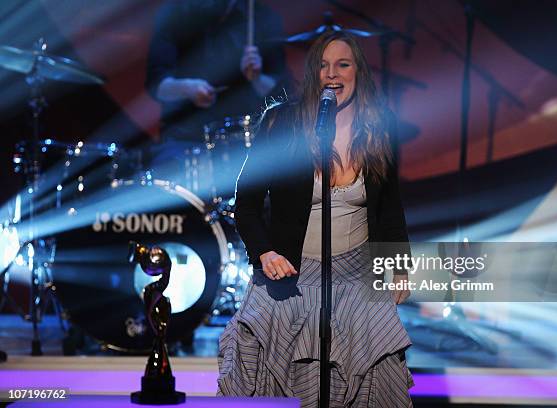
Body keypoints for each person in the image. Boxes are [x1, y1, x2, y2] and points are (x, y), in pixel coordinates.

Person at [217, 31, 414, 407]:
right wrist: (265, 253)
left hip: (357, 274)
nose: (332, 73)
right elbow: (246, 204)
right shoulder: (281, 124)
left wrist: (399, 266)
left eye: (342, 64)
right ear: (313, 74)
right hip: (291, 273)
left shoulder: (378, 129)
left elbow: (390, 207)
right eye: (323, 66)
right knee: (280, 373)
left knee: (378, 363)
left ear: (359, 71)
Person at [145, 0, 287, 197]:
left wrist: (256, 77)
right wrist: (187, 88)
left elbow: (278, 90)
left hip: (244, 138)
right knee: (161, 186)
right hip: (186, 138)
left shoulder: (260, 16)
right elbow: (156, 86)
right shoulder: (174, 12)